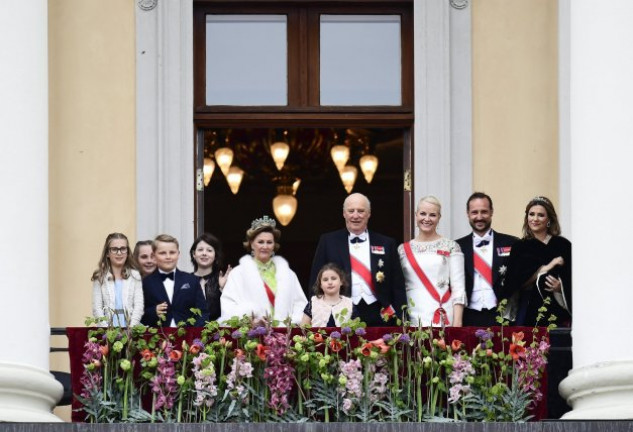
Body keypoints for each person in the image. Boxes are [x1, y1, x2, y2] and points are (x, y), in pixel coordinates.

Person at [310, 193, 406, 326]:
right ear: (344, 213)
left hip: (379, 312)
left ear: (369, 214)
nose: (356, 215)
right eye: (351, 211)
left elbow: (397, 284)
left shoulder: (386, 243)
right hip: (340, 311)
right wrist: (316, 312)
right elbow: (316, 280)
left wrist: (401, 317)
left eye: (361, 211)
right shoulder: (328, 241)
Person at [219, 216, 307, 325]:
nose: (265, 246)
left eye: (269, 242)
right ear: (251, 244)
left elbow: (300, 305)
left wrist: (289, 324)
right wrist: (250, 322)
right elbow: (228, 307)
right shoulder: (238, 273)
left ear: (274, 245)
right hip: (251, 336)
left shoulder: (288, 274)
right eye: (260, 242)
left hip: (284, 336)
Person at [398, 196, 466, 327]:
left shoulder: (451, 246)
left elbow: (459, 288)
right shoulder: (402, 250)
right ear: (416, 215)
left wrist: (457, 324)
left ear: (439, 217)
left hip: (443, 315)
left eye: (433, 215)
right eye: (423, 213)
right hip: (412, 316)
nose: (427, 219)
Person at [504, 196, 572, 327]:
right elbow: (513, 283)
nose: (535, 219)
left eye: (540, 215)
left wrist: (561, 287)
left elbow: (573, 278)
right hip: (528, 309)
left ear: (549, 219)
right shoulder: (519, 247)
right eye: (531, 214)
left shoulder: (563, 245)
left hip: (558, 310)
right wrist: (544, 269)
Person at [455, 192, 519, 327]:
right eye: (474, 212)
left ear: (491, 212)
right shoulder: (457, 246)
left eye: (484, 212)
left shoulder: (511, 243)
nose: (479, 217)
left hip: (501, 316)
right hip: (468, 316)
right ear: (467, 214)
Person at [141, 234, 209, 327]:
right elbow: (138, 315)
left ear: (178, 254)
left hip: (188, 338)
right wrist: (153, 312)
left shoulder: (192, 280)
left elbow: (202, 313)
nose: (168, 257)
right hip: (157, 338)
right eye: (162, 253)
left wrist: (194, 336)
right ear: (154, 255)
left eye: (172, 252)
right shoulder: (146, 283)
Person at [91, 233, 144, 327]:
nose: (119, 253)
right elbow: (97, 309)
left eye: (123, 249)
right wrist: (107, 332)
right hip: (106, 333)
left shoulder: (135, 276)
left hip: (132, 331)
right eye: (114, 249)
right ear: (107, 253)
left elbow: (138, 306)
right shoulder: (100, 277)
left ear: (127, 252)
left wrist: (131, 330)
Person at [190, 233, 232, 321]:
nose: (204, 253)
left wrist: (223, 289)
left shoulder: (223, 280)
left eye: (209, 250)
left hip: (217, 332)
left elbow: (231, 311)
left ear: (215, 255)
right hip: (190, 332)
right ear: (194, 254)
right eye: (200, 250)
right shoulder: (185, 280)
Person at [301, 263, 355, 327]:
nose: (330, 282)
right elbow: (303, 330)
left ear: (341, 281)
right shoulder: (313, 303)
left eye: (333, 278)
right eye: (325, 280)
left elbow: (357, 331)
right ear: (320, 284)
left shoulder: (349, 304)